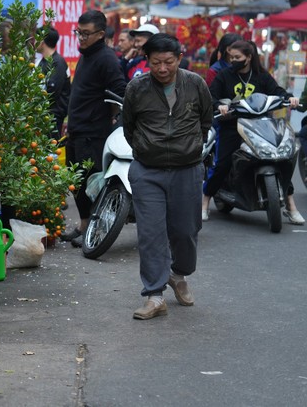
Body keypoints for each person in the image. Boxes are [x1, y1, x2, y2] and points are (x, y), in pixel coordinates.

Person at [122, 33, 213, 320]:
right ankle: (154, 294)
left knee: (186, 231)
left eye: (168, 62)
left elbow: (205, 121)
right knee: (150, 234)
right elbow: (129, 126)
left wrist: (190, 148)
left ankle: (179, 275)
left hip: (187, 169)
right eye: (156, 63)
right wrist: (147, 148)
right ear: (146, 61)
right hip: (147, 170)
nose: (162, 69)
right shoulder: (136, 88)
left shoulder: (195, 84)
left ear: (179, 59)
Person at [201, 40, 303, 223]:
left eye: (237, 57)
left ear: (248, 57)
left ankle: (290, 205)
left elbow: (277, 91)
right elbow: (211, 95)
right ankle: (205, 203)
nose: (233, 60)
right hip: (233, 125)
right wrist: (219, 106)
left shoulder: (261, 76)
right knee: (222, 164)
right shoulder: (224, 75)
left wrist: (289, 98)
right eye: (231, 57)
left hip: (262, 124)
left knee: (281, 158)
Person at [60, 10, 127, 247]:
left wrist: (110, 117)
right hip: (77, 129)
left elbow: (120, 91)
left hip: (93, 133)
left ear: (100, 34)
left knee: (91, 182)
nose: (81, 38)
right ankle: (84, 224)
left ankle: (97, 230)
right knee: (77, 182)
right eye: (79, 32)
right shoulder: (86, 55)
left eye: (86, 34)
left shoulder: (107, 59)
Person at [34, 27, 71, 139]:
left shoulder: (58, 63)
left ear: (42, 41)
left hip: (51, 118)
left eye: (36, 39)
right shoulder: (41, 62)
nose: (34, 42)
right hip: (40, 116)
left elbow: (52, 92)